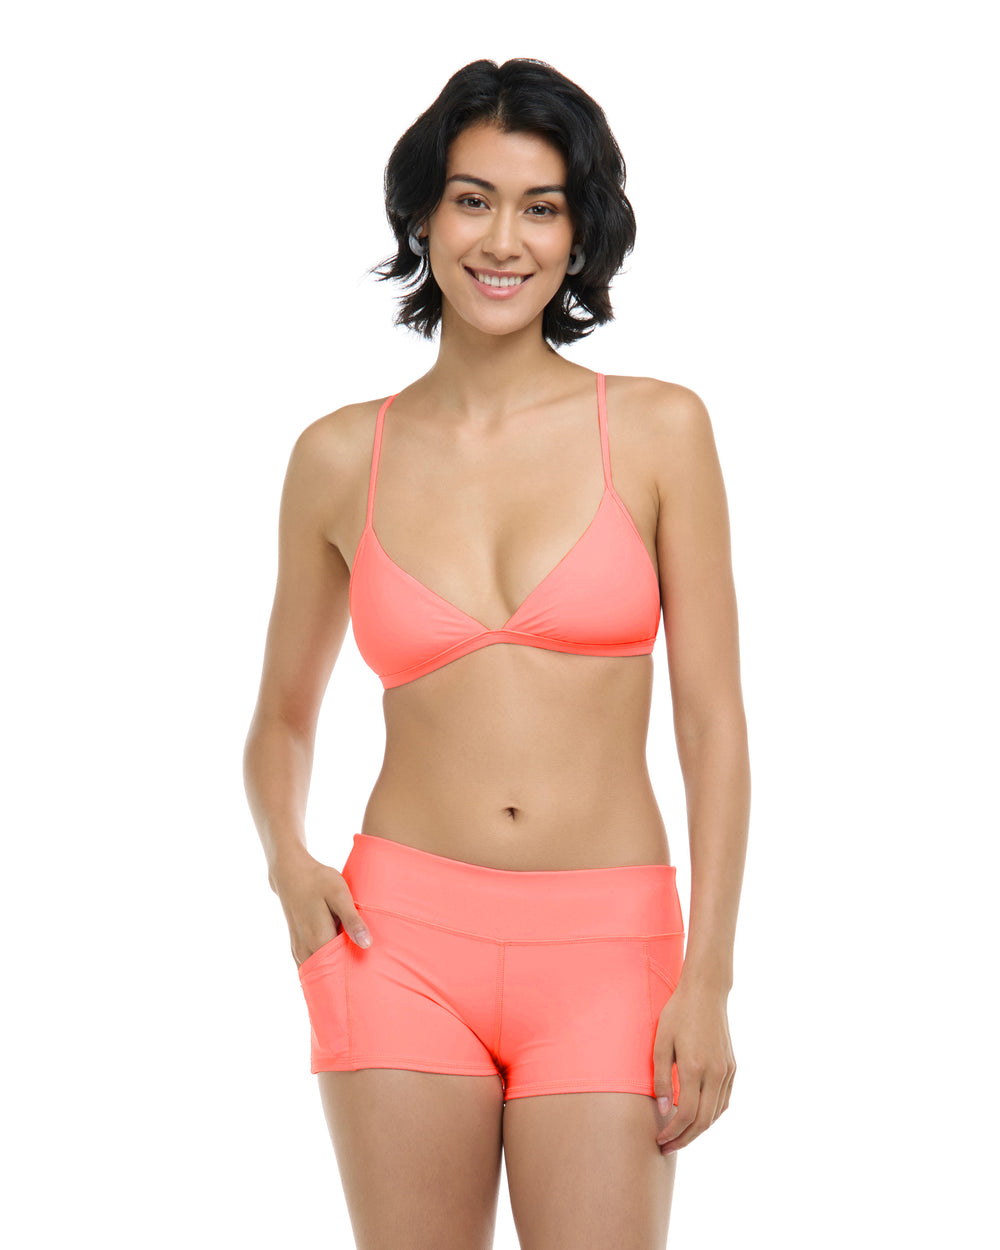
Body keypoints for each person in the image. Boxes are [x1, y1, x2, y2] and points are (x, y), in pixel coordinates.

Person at [243, 56, 749, 1250]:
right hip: (396, 939)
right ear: (423, 215)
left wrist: (709, 976)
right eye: (472, 199)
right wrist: (288, 865)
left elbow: (713, 722)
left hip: (610, 947)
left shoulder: (659, 428)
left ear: (580, 235)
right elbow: (280, 718)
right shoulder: (338, 455)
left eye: (541, 206)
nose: (502, 240)